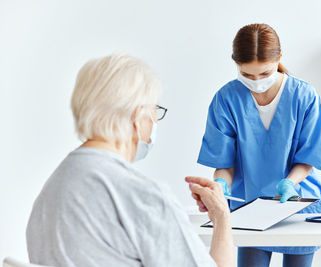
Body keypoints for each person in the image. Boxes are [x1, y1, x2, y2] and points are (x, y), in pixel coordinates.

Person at [26, 54, 234, 267]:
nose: (154, 120)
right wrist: (221, 218)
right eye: (155, 110)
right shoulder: (143, 197)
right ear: (137, 117)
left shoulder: (49, 193)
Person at [197, 23, 321, 267]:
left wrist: (290, 183)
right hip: (250, 205)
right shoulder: (226, 99)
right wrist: (220, 185)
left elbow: (308, 157)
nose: (256, 81)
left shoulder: (304, 96)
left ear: (279, 58)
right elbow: (223, 163)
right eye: (247, 75)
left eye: (265, 74)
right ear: (236, 64)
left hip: (299, 200)